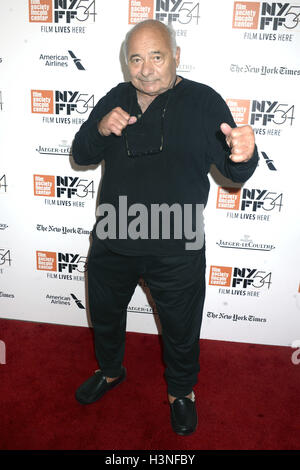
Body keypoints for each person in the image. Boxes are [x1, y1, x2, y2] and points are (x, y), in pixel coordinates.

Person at [72, 19, 258, 436]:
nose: (146, 68)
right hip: (113, 237)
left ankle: (180, 392)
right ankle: (110, 370)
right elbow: (81, 153)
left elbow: (233, 169)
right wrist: (100, 129)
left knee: (180, 328)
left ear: (176, 56)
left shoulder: (204, 102)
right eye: (135, 58)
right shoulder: (115, 98)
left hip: (177, 244)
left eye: (156, 56)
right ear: (126, 63)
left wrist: (245, 155)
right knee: (104, 315)